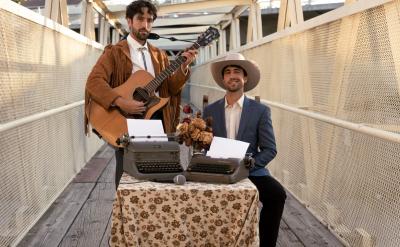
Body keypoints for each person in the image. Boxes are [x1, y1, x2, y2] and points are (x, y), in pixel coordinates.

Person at [84, 0, 197, 188]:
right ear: (129, 21)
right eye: (140, 19)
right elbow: (94, 82)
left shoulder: (159, 55)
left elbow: (171, 88)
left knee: (159, 165)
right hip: (125, 117)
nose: (145, 25)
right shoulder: (115, 52)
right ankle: (125, 211)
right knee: (127, 165)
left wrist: (183, 66)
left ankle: (153, 209)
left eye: (149, 20)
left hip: (155, 116)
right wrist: (119, 101)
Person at [203, 53, 286, 247]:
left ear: (245, 78)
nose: (233, 76)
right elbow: (204, 146)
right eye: (228, 72)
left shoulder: (261, 111)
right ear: (223, 79)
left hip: (250, 170)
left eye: (237, 72)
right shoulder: (210, 111)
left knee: (277, 195)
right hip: (218, 169)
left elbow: (270, 149)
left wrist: (249, 165)